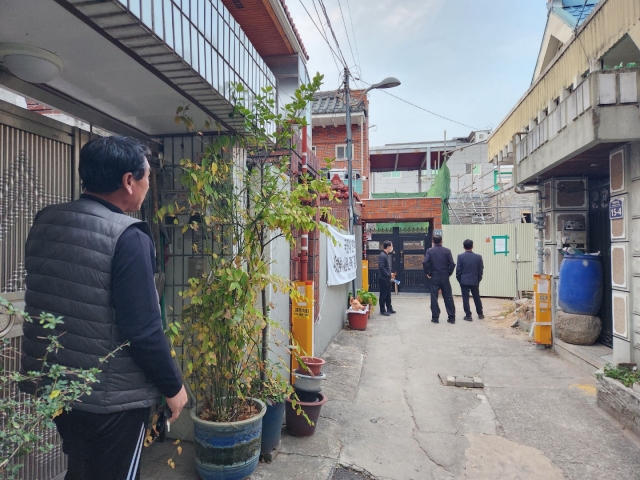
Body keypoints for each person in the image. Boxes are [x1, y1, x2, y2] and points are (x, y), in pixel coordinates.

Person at [21, 136, 188, 480]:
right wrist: (174, 388)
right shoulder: (128, 236)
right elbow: (143, 329)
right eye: (146, 177)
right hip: (111, 397)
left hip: (57, 385)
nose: (147, 185)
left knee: (82, 467)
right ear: (128, 181)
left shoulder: (46, 220)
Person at [423, 235, 456, 323]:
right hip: (444, 276)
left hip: (434, 276)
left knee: (434, 297)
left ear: (433, 241)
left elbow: (425, 262)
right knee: (448, 297)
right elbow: (452, 264)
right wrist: (449, 273)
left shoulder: (430, 251)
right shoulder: (447, 251)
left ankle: (435, 318)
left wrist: (427, 273)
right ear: (442, 241)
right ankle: (451, 317)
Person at [456, 239, 485, 321]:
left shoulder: (460, 257)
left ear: (463, 247)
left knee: (465, 297)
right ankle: (480, 314)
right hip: (474, 280)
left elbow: (458, 270)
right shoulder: (478, 257)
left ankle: (468, 315)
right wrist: (478, 279)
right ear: (472, 246)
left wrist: (460, 280)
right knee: (476, 297)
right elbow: (480, 270)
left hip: (464, 280)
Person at [378, 240, 396, 316]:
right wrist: (389, 275)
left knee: (388, 294)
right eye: (391, 246)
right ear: (388, 247)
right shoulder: (382, 255)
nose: (392, 248)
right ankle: (382, 310)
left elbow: (386, 267)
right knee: (383, 295)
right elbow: (381, 267)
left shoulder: (385, 255)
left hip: (387, 278)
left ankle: (389, 308)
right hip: (383, 279)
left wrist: (390, 274)